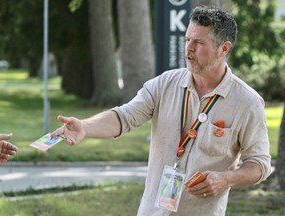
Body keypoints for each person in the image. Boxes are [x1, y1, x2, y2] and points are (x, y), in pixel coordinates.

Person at [51, 6, 271, 216]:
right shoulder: (164, 84)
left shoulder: (247, 102)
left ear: (224, 48)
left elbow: (259, 164)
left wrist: (225, 179)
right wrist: (85, 127)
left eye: (199, 42)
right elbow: (124, 116)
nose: (189, 49)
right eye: (187, 40)